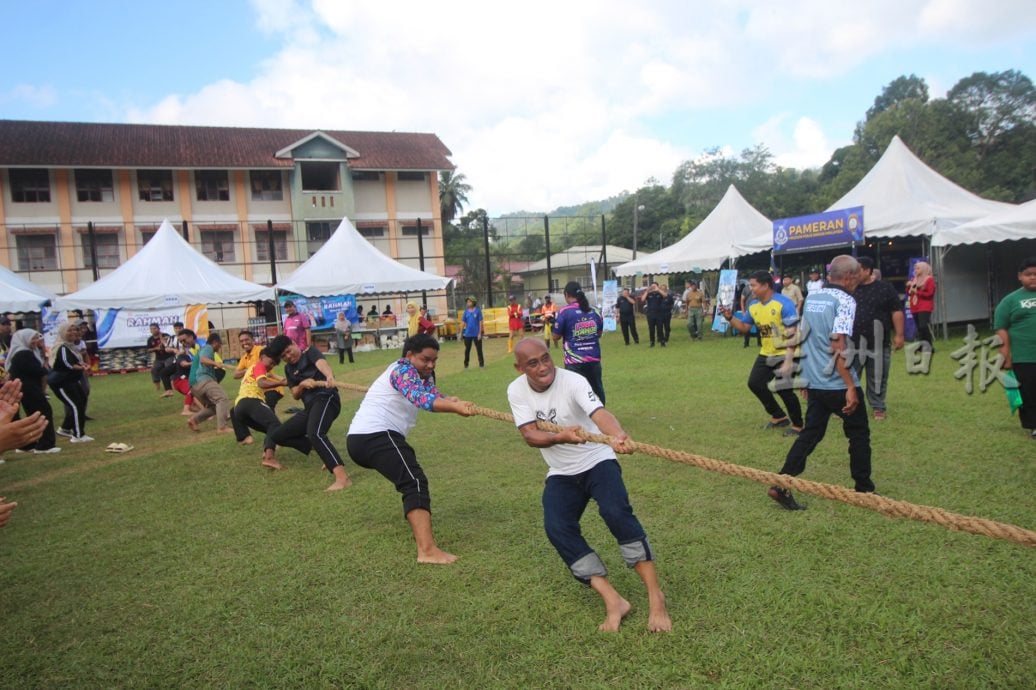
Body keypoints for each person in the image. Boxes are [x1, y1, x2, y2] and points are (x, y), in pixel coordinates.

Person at [507, 338, 671, 632]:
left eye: (546, 358)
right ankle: (613, 600)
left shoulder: (573, 381)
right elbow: (530, 435)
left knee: (616, 512)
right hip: (561, 470)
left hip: (597, 459)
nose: (543, 367)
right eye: (533, 363)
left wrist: (618, 435)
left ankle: (655, 596)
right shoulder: (516, 390)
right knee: (557, 527)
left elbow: (599, 414)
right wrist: (561, 437)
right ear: (520, 368)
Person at [347, 333, 477, 564]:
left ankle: (421, 532)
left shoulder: (421, 374)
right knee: (414, 481)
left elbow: (431, 394)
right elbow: (420, 398)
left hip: (370, 438)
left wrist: (451, 401)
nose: (430, 365)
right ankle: (427, 551)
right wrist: (452, 407)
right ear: (409, 356)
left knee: (410, 479)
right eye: (425, 359)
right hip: (373, 434)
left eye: (434, 360)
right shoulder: (402, 370)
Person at [769, 255, 873, 510]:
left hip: (816, 382)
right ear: (848, 277)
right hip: (838, 382)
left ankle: (781, 483)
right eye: (858, 274)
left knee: (811, 434)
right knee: (858, 434)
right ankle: (864, 489)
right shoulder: (846, 300)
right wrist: (850, 386)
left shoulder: (813, 297)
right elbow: (837, 343)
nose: (861, 277)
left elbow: (803, 337)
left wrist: (806, 376)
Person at [720, 271, 804, 435]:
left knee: (783, 388)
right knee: (755, 383)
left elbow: (792, 334)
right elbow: (744, 328)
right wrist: (730, 318)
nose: (751, 289)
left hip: (788, 352)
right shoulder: (753, 306)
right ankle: (779, 416)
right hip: (767, 353)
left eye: (754, 285)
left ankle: (798, 426)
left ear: (766, 285)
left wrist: (788, 361)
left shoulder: (784, 304)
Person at [265, 335, 351, 491]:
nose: (288, 357)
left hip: (326, 399)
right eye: (283, 356)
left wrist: (329, 376)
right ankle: (324, 451)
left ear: (293, 343)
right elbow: (295, 394)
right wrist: (302, 385)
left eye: (288, 351)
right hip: (310, 407)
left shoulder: (310, 352)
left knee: (315, 433)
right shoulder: (288, 369)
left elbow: (322, 364)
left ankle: (343, 479)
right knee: (277, 435)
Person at [850, 257, 905, 421]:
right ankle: (849, 404)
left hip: (879, 342)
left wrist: (900, 335)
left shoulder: (885, 288)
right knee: (850, 376)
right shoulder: (849, 288)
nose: (853, 274)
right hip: (853, 342)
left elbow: (896, 311)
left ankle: (878, 407)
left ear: (867, 270)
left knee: (878, 376)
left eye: (857, 270)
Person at [230, 347, 299, 466]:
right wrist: (281, 383)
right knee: (274, 424)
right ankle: (269, 458)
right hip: (251, 400)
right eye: (271, 362)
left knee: (273, 430)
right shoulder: (259, 366)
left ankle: (308, 445)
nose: (271, 366)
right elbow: (261, 383)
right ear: (262, 358)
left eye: (274, 364)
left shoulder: (255, 369)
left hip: (239, 409)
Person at [994, 256, 1036, 440]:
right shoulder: (1010, 301)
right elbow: (1001, 329)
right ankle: (1034, 425)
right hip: (1024, 356)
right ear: (1020, 276)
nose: (1033, 277)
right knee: (1029, 393)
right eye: (1029, 274)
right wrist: (1005, 356)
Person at [5, 330, 59, 453]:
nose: (36, 341)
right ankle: (45, 445)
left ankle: (26, 444)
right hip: (29, 389)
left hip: (23, 389)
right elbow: (39, 371)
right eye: (32, 339)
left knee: (31, 415)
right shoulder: (24, 354)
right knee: (42, 413)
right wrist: (45, 369)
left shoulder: (23, 352)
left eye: (37, 338)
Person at [553, 281, 606, 405]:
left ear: (566, 295)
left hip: (574, 361)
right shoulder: (595, 311)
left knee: (574, 392)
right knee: (597, 389)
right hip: (593, 359)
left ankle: (579, 419)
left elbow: (555, 336)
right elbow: (598, 333)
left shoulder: (564, 312)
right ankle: (601, 416)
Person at [49, 322, 92, 443]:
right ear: (63, 333)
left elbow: (73, 361)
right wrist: (80, 367)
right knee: (75, 405)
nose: (73, 332)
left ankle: (65, 428)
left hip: (71, 380)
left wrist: (81, 364)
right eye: (69, 330)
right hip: (61, 382)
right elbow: (66, 363)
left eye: (75, 330)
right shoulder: (62, 347)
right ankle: (78, 435)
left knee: (82, 400)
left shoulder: (69, 346)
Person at [187, 332, 231, 434]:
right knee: (222, 399)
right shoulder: (208, 348)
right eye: (220, 344)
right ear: (215, 342)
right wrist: (216, 363)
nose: (219, 347)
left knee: (213, 406)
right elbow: (203, 360)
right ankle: (222, 428)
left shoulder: (204, 349)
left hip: (194, 386)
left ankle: (194, 420)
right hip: (202, 379)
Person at [233, 330, 284, 410]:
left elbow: (272, 361)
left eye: (246, 340)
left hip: (271, 388)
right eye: (241, 341)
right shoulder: (244, 357)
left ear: (253, 340)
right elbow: (235, 375)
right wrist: (249, 370)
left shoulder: (261, 351)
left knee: (265, 412)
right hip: (258, 390)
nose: (244, 343)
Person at [907, 261, 937, 350]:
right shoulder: (914, 279)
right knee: (919, 327)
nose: (915, 270)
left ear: (924, 269)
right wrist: (909, 287)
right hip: (915, 306)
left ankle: (929, 346)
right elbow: (909, 293)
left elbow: (930, 294)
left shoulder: (929, 279)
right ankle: (923, 345)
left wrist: (917, 292)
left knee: (923, 325)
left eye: (918, 268)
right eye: (915, 268)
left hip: (925, 306)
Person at [174, 328, 199, 416]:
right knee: (191, 391)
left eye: (184, 341)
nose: (183, 343)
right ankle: (185, 410)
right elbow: (184, 364)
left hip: (186, 379)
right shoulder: (182, 355)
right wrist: (198, 361)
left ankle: (196, 408)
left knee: (196, 392)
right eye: (181, 342)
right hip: (180, 380)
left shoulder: (194, 350)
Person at [147, 323, 176, 397]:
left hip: (169, 356)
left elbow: (171, 344)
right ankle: (157, 386)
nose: (153, 330)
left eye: (154, 328)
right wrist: (156, 348)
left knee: (168, 368)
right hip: (159, 358)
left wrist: (163, 341)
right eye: (151, 329)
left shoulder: (165, 335)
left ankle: (172, 385)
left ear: (158, 329)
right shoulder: (150, 339)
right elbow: (149, 350)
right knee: (154, 369)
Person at [461, 296, 484, 369]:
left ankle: (481, 364)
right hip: (468, 334)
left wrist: (480, 333)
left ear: (473, 302)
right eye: (467, 302)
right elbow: (463, 323)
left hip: (476, 334)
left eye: (469, 302)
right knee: (467, 350)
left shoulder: (477, 311)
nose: (468, 303)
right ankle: (466, 365)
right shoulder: (466, 312)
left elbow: (480, 322)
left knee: (479, 350)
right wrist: (461, 333)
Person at [642, 282, 666, 347]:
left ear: (657, 286)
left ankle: (662, 341)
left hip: (659, 313)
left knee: (660, 328)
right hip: (650, 313)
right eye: (652, 286)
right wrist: (647, 291)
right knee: (651, 328)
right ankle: (652, 342)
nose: (653, 287)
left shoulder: (659, 293)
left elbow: (665, 295)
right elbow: (642, 299)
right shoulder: (649, 294)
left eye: (654, 286)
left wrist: (658, 289)